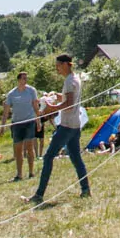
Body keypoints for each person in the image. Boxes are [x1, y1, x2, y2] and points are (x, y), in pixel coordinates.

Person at [29, 53, 89, 205]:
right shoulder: (75, 79)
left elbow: (68, 103)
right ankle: (86, 189)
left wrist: (51, 107)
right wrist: (56, 95)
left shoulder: (69, 81)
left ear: (65, 64)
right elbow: (70, 98)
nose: (57, 69)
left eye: (58, 66)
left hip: (67, 126)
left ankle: (39, 194)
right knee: (76, 158)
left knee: (48, 157)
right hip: (75, 126)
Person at [3, 71, 41, 181]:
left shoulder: (31, 91)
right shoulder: (12, 94)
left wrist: (38, 122)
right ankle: (19, 174)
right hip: (17, 124)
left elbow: (35, 107)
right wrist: (3, 126)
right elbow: (6, 110)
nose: (25, 80)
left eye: (26, 78)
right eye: (23, 78)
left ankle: (31, 172)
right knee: (18, 149)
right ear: (19, 80)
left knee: (29, 147)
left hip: (29, 122)